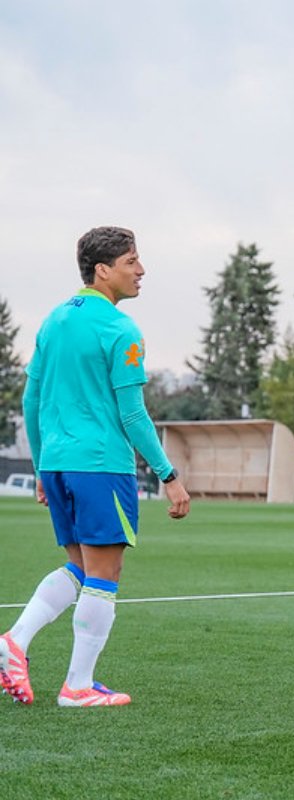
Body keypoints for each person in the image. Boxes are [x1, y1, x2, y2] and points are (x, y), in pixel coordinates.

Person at [1, 226, 190, 708]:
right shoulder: (121, 330)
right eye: (131, 261)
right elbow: (132, 414)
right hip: (102, 466)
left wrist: (43, 468)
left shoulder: (54, 320)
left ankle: (15, 642)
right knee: (105, 573)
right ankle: (77, 687)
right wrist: (169, 475)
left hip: (61, 466)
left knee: (81, 567)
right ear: (103, 270)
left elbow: (32, 398)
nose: (141, 270)